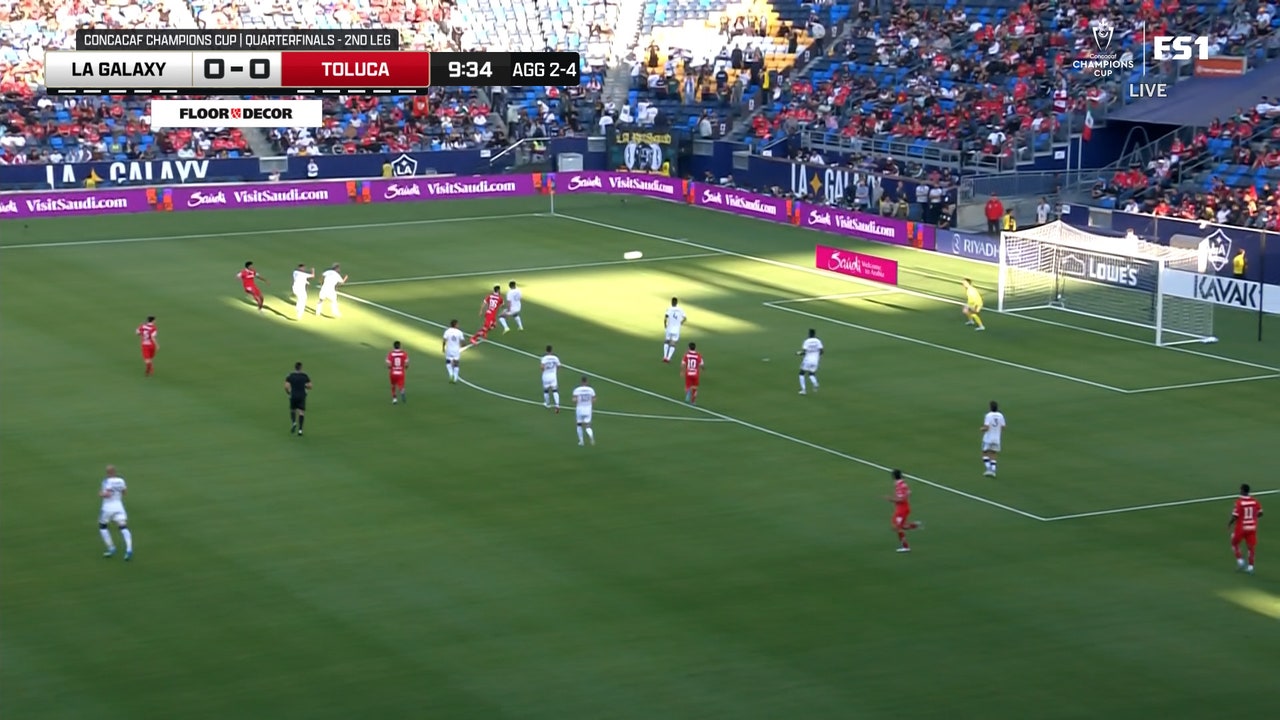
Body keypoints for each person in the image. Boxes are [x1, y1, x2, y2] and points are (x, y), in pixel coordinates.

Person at [98, 464, 133, 561]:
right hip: (119, 506)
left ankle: (111, 548)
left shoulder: (106, 481)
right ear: (115, 472)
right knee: (123, 527)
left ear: (108, 473)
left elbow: (108, 494)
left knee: (103, 526)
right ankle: (129, 549)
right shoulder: (121, 480)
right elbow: (124, 493)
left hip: (108, 508)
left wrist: (101, 494)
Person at [1230, 483, 1263, 574]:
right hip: (1252, 527)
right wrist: (1253, 518)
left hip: (1241, 528)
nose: (1240, 491)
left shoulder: (1239, 502)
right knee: (1251, 547)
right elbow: (1260, 513)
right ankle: (1251, 567)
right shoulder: (1255, 501)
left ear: (1243, 491)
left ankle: (1240, 561)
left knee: (1234, 543)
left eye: (1240, 490)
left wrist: (1229, 524)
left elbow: (1235, 516)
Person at [888, 469, 921, 552]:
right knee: (896, 527)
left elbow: (901, 499)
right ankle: (914, 526)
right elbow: (909, 492)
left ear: (893, 477)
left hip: (902, 510)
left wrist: (891, 499)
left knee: (897, 527)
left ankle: (905, 547)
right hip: (902, 508)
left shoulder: (899, 486)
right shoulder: (903, 484)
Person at [285, 361, 312, 435]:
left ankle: (294, 422)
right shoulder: (304, 376)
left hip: (293, 395)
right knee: (301, 412)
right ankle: (300, 429)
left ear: (295, 367)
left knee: (292, 410)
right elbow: (310, 386)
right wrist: (304, 386)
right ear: (301, 368)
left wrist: (288, 393)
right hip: (302, 396)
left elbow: (286, 386)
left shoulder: (290, 375)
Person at [981, 400, 1007, 477]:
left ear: (990, 407)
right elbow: (1003, 427)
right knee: (993, 453)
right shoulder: (1000, 415)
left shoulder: (988, 415)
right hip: (997, 438)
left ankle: (988, 469)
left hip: (988, 438)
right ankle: (993, 470)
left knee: (984, 452)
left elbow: (987, 427)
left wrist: (982, 429)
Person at [796, 328, 823, 395]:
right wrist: (817, 356)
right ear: (814, 334)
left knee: (801, 373)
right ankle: (815, 383)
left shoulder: (807, 341)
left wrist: (798, 353)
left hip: (807, 359)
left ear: (809, 334)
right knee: (811, 373)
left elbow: (804, 352)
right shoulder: (818, 341)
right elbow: (822, 351)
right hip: (815, 360)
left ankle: (803, 390)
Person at [572, 376, 596, 446]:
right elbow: (594, 400)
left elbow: (574, 400)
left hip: (580, 408)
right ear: (587, 382)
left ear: (581, 382)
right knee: (588, 425)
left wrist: (577, 401)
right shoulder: (591, 390)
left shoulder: (577, 390)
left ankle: (581, 441)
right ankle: (591, 436)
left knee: (579, 424)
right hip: (588, 409)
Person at [662, 297, 686, 362]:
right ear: (677, 302)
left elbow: (666, 317)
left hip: (669, 328)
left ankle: (665, 356)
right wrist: (680, 323)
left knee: (666, 341)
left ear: (672, 302)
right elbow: (685, 318)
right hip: (676, 329)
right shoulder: (680, 309)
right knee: (673, 343)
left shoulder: (669, 309)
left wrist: (665, 325)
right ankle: (669, 358)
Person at [540, 344, 561, 412]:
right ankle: (557, 405)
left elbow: (542, 367)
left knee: (546, 390)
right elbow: (558, 366)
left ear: (546, 351)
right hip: (553, 376)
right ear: (551, 350)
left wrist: (544, 371)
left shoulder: (544, 358)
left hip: (546, 376)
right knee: (555, 390)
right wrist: (555, 372)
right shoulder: (555, 358)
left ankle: (547, 404)